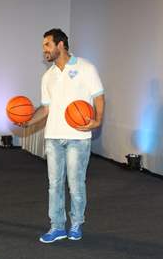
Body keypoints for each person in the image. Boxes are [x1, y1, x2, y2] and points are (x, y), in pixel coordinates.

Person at [23, 29, 105, 243]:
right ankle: (57, 226)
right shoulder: (47, 76)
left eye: (47, 45)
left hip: (78, 138)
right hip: (53, 137)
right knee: (54, 184)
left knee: (76, 183)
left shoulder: (86, 68)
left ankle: (76, 224)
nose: (44, 50)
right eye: (43, 46)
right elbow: (46, 109)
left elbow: (99, 97)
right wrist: (28, 121)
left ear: (60, 45)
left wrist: (97, 120)